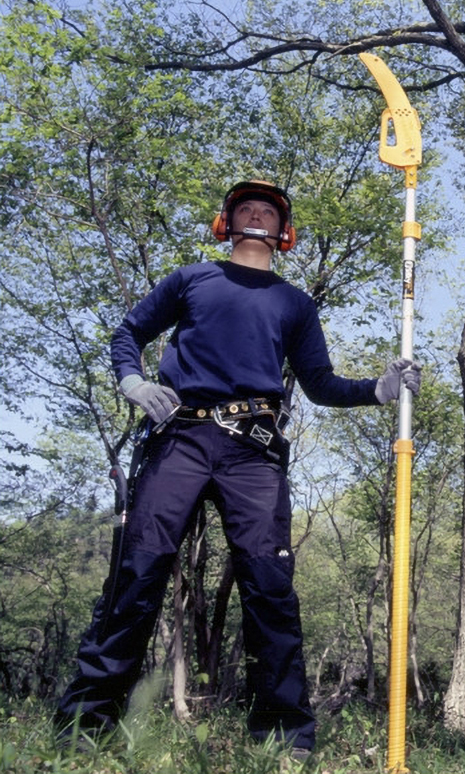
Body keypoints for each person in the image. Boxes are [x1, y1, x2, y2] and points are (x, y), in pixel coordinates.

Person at [54, 179, 421, 756]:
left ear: (284, 233)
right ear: (225, 222)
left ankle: (282, 738)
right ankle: (86, 728)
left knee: (270, 589)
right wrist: (133, 380)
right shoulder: (192, 278)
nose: (256, 215)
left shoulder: (295, 303)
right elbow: (128, 332)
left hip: (253, 451)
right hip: (180, 437)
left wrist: (378, 389)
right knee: (136, 576)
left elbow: (320, 385)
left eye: (267, 211)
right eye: (245, 207)